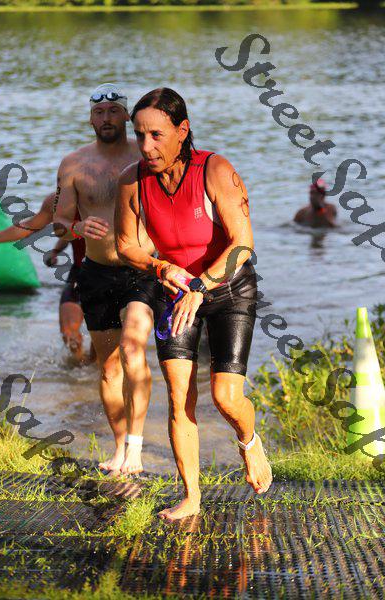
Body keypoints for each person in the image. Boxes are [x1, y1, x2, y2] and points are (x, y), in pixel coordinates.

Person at [116, 87, 272, 521]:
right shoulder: (131, 182)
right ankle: (191, 497)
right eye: (139, 135)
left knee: (225, 396)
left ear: (182, 130)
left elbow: (243, 243)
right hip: (174, 292)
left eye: (156, 135)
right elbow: (126, 245)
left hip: (228, 288)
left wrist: (201, 286)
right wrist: (160, 267)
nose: (146, 146)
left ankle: (249, 441)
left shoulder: (215, 170)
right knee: (179, 396)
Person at [53, 83, 156, 475]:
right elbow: (59, 223)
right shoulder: (73, 164)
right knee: (110, 367)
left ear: (127, 116)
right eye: (100, 112)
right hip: (95, 272)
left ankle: (136, 449)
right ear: (90, 118)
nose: (107, 118)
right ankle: (118, 449)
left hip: (141, 269)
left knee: (133, 349)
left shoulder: (145, 155)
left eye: (114, 110)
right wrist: (77, 227)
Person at [0, 192, 94, 363]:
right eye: (60, 179)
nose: (62, 182)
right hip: (80, 272)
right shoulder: (57, 200)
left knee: (103, 346)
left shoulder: (105, 193)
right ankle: (79, 368)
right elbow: (31, 226)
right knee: (69, 334)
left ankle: (95, 368)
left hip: (112, 274)